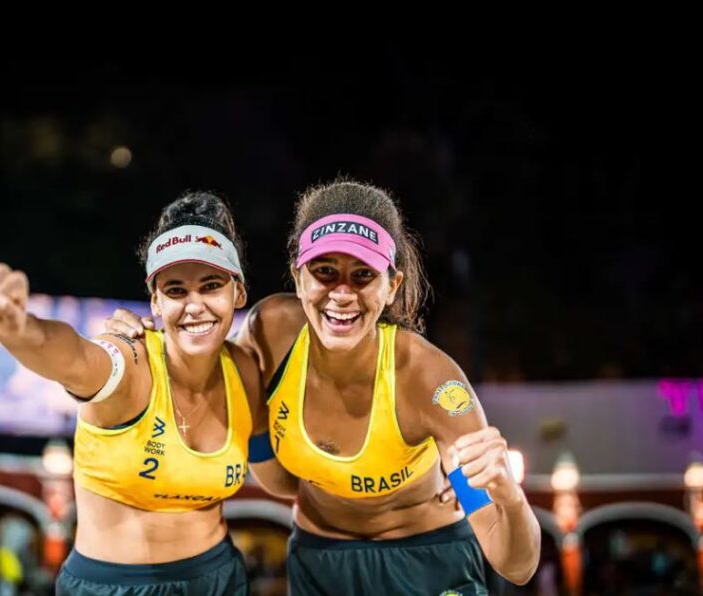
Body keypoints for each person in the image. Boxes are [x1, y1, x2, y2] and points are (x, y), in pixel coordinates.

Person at [105, 180, 541, 595]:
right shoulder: (271, 334)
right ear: (298, 279)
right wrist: (135, 347)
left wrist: (509, 497)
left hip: (424, 560)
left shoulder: (428, 381)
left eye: (363, 275)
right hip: (319, 560)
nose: (342, 294)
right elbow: (196, 378)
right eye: (325, 272)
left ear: (392, 286)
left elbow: (517, 566)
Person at [0, 192, 294, 595]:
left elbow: (281, 480)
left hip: (218, 577)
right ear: (155, 301)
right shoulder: (133, 361)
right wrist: (18, 328)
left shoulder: (244, 372)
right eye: (175, 290)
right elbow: (73, 357)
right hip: (114, 586)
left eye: (211, 286)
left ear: (237, 293)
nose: (194, 306)